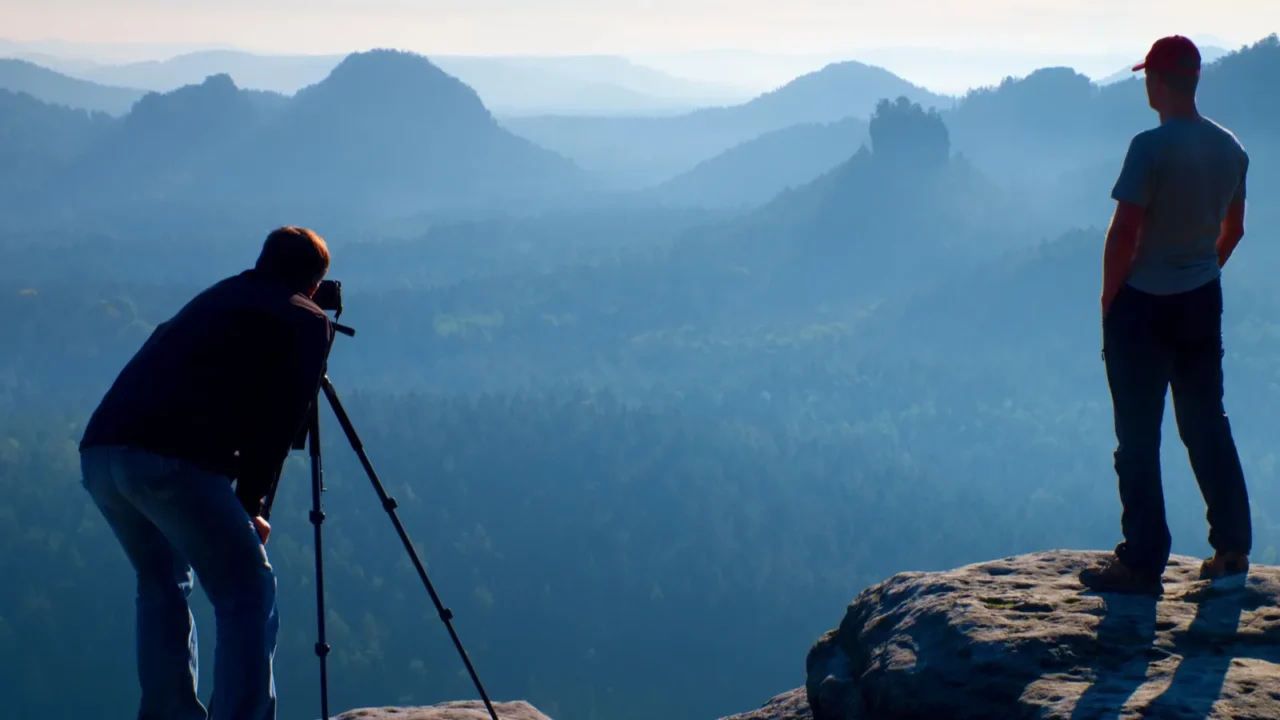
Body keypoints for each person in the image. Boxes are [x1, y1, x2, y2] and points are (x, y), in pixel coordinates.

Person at [79, 226, 336, 719]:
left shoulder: (220, 295)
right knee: (246, 591)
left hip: (103, 453)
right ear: (313, 284)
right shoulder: (304, 318)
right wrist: (252, 506)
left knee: (160, 584)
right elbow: (277, 424)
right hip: (172, 463)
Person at [1080, 35, 1251, 595]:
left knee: (1137, 437)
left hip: (1143, 307)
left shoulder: (1148, 148)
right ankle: (1230, 548)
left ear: (1157, 81)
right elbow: (1235, 231)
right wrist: (1202, 268)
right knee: (1206, 425)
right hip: (1201, 301)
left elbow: (1124, 232)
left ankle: (1142, 562)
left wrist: (1110, 300)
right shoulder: (1232, 150)